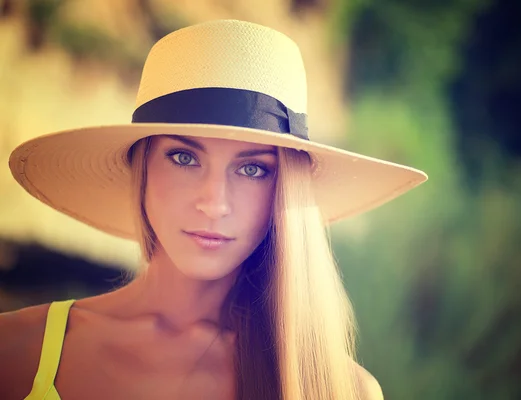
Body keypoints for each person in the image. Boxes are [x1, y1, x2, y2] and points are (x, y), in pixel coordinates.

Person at [0, 19, 427, 400]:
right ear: (140, 167)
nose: (214, 203)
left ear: (285, 190)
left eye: (253, 169)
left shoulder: (337, 389)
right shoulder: (16, 350)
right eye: (185, 158)